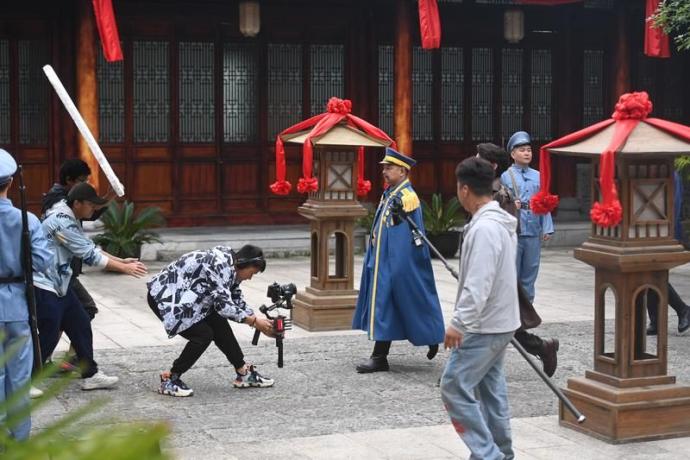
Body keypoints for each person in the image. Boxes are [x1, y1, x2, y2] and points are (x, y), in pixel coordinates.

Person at [441, 156, 520, 460]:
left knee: (453, 385)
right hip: (501, 321)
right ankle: (500, 451)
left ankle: (489, 455)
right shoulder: (496, 221)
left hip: (485, 324)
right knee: (491, 389)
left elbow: (479, 284)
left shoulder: (486, 228)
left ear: (464, 190)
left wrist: (458, 324)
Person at [33, 182, 148, 390]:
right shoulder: (61, 222)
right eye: (90, 205)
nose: (93, 210)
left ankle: (90, 374)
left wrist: (122, 261)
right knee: (48, 335)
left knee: (81, 323)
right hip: (45, 284)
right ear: (77, 203)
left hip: (61, 284)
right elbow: (89, 255)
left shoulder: (70, 216)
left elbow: (88, 247)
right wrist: (124, 269)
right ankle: (24, 382)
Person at [352, 147, 445, 373]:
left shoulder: (407, 198)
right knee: (387, 308)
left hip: (398, 264)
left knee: (409, 301)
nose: (384, 171)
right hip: (383, 261)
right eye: (384, 167)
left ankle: (431, 337)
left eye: (389, 167)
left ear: (402, 172)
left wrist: (397, 269)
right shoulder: (391, 193)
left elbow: (407, 238)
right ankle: (380, 356)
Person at [147, 244, 276, 397]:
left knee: (218, 323)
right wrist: (254, 322)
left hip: (189, 298)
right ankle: (170, 379)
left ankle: (243, 372)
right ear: (243, 264)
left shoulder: (232, 266)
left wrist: (260, 322)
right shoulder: (220, 265)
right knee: (203, 335)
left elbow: (234, 297)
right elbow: (224, 307)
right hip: (165, 297)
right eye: (251, 273)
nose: (250, 278)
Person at [477, 143, 559, 377]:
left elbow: (505, 234)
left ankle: (462, 373)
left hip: (495, 271)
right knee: (499, 324)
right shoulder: (485, 188)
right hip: (486, 271)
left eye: (478, 158)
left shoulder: (500, 195)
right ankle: (542, 347)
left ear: (491, 165)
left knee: (490, 322)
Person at [0, 149, 53, 441]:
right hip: (17, 305)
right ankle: (20, 441)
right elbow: (43, 262)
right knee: (19, 380)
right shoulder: (27, 220)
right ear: (10, 183)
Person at [42, 159, 110, 322]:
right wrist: (125, 266)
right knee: (85, 309)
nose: (85, 184)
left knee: (68, 316)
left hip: (64, 269)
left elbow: (91, 212)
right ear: (68, 180)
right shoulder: (58, 205)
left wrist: (111, 195)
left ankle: (67, 346)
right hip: (57, 271)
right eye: (81, 181)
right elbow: (90, 252)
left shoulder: (67, 200)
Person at [500, 131, 554, 304]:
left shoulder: (538, 175)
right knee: (512, 273)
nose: (526, 153)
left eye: (529, 150)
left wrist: (547, 227)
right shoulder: (506, 176)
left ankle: (527, 311)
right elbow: (500, 201)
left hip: (533, 229)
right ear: (512, 154)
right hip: (515, 230)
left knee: (530, 273)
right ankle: (513, 311)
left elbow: (544, 201)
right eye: (522, 150)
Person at [645, 170, 690, 335]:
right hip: (646, 229)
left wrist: (667, 233)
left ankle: (682, 310)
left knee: (654, 273)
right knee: (648, 273)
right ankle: (656, 320)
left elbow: (672, 207)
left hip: (661, 230)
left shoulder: (671, 174)